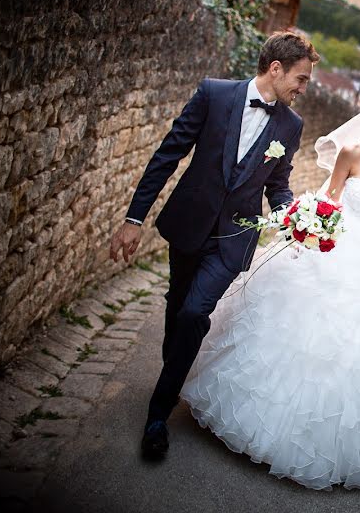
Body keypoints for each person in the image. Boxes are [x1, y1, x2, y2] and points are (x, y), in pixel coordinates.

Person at [181, 78, 360, 490]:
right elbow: (330, 199)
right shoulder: (354, 152)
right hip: (335, 247)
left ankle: (330, 449)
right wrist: (308, 234)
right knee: (300, 330)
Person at [108, 31, 320, 458]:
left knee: (194, 311)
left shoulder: (291, 126)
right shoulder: (214, 94)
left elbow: (278, 184)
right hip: (188, 224)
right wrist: (134, 218)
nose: (302, 89)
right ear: (275, 69)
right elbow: (168, 155)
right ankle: (175, 369)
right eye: (300, 79)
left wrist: (295, 216)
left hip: (232, 239)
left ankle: (157, 417)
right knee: (178, 304)